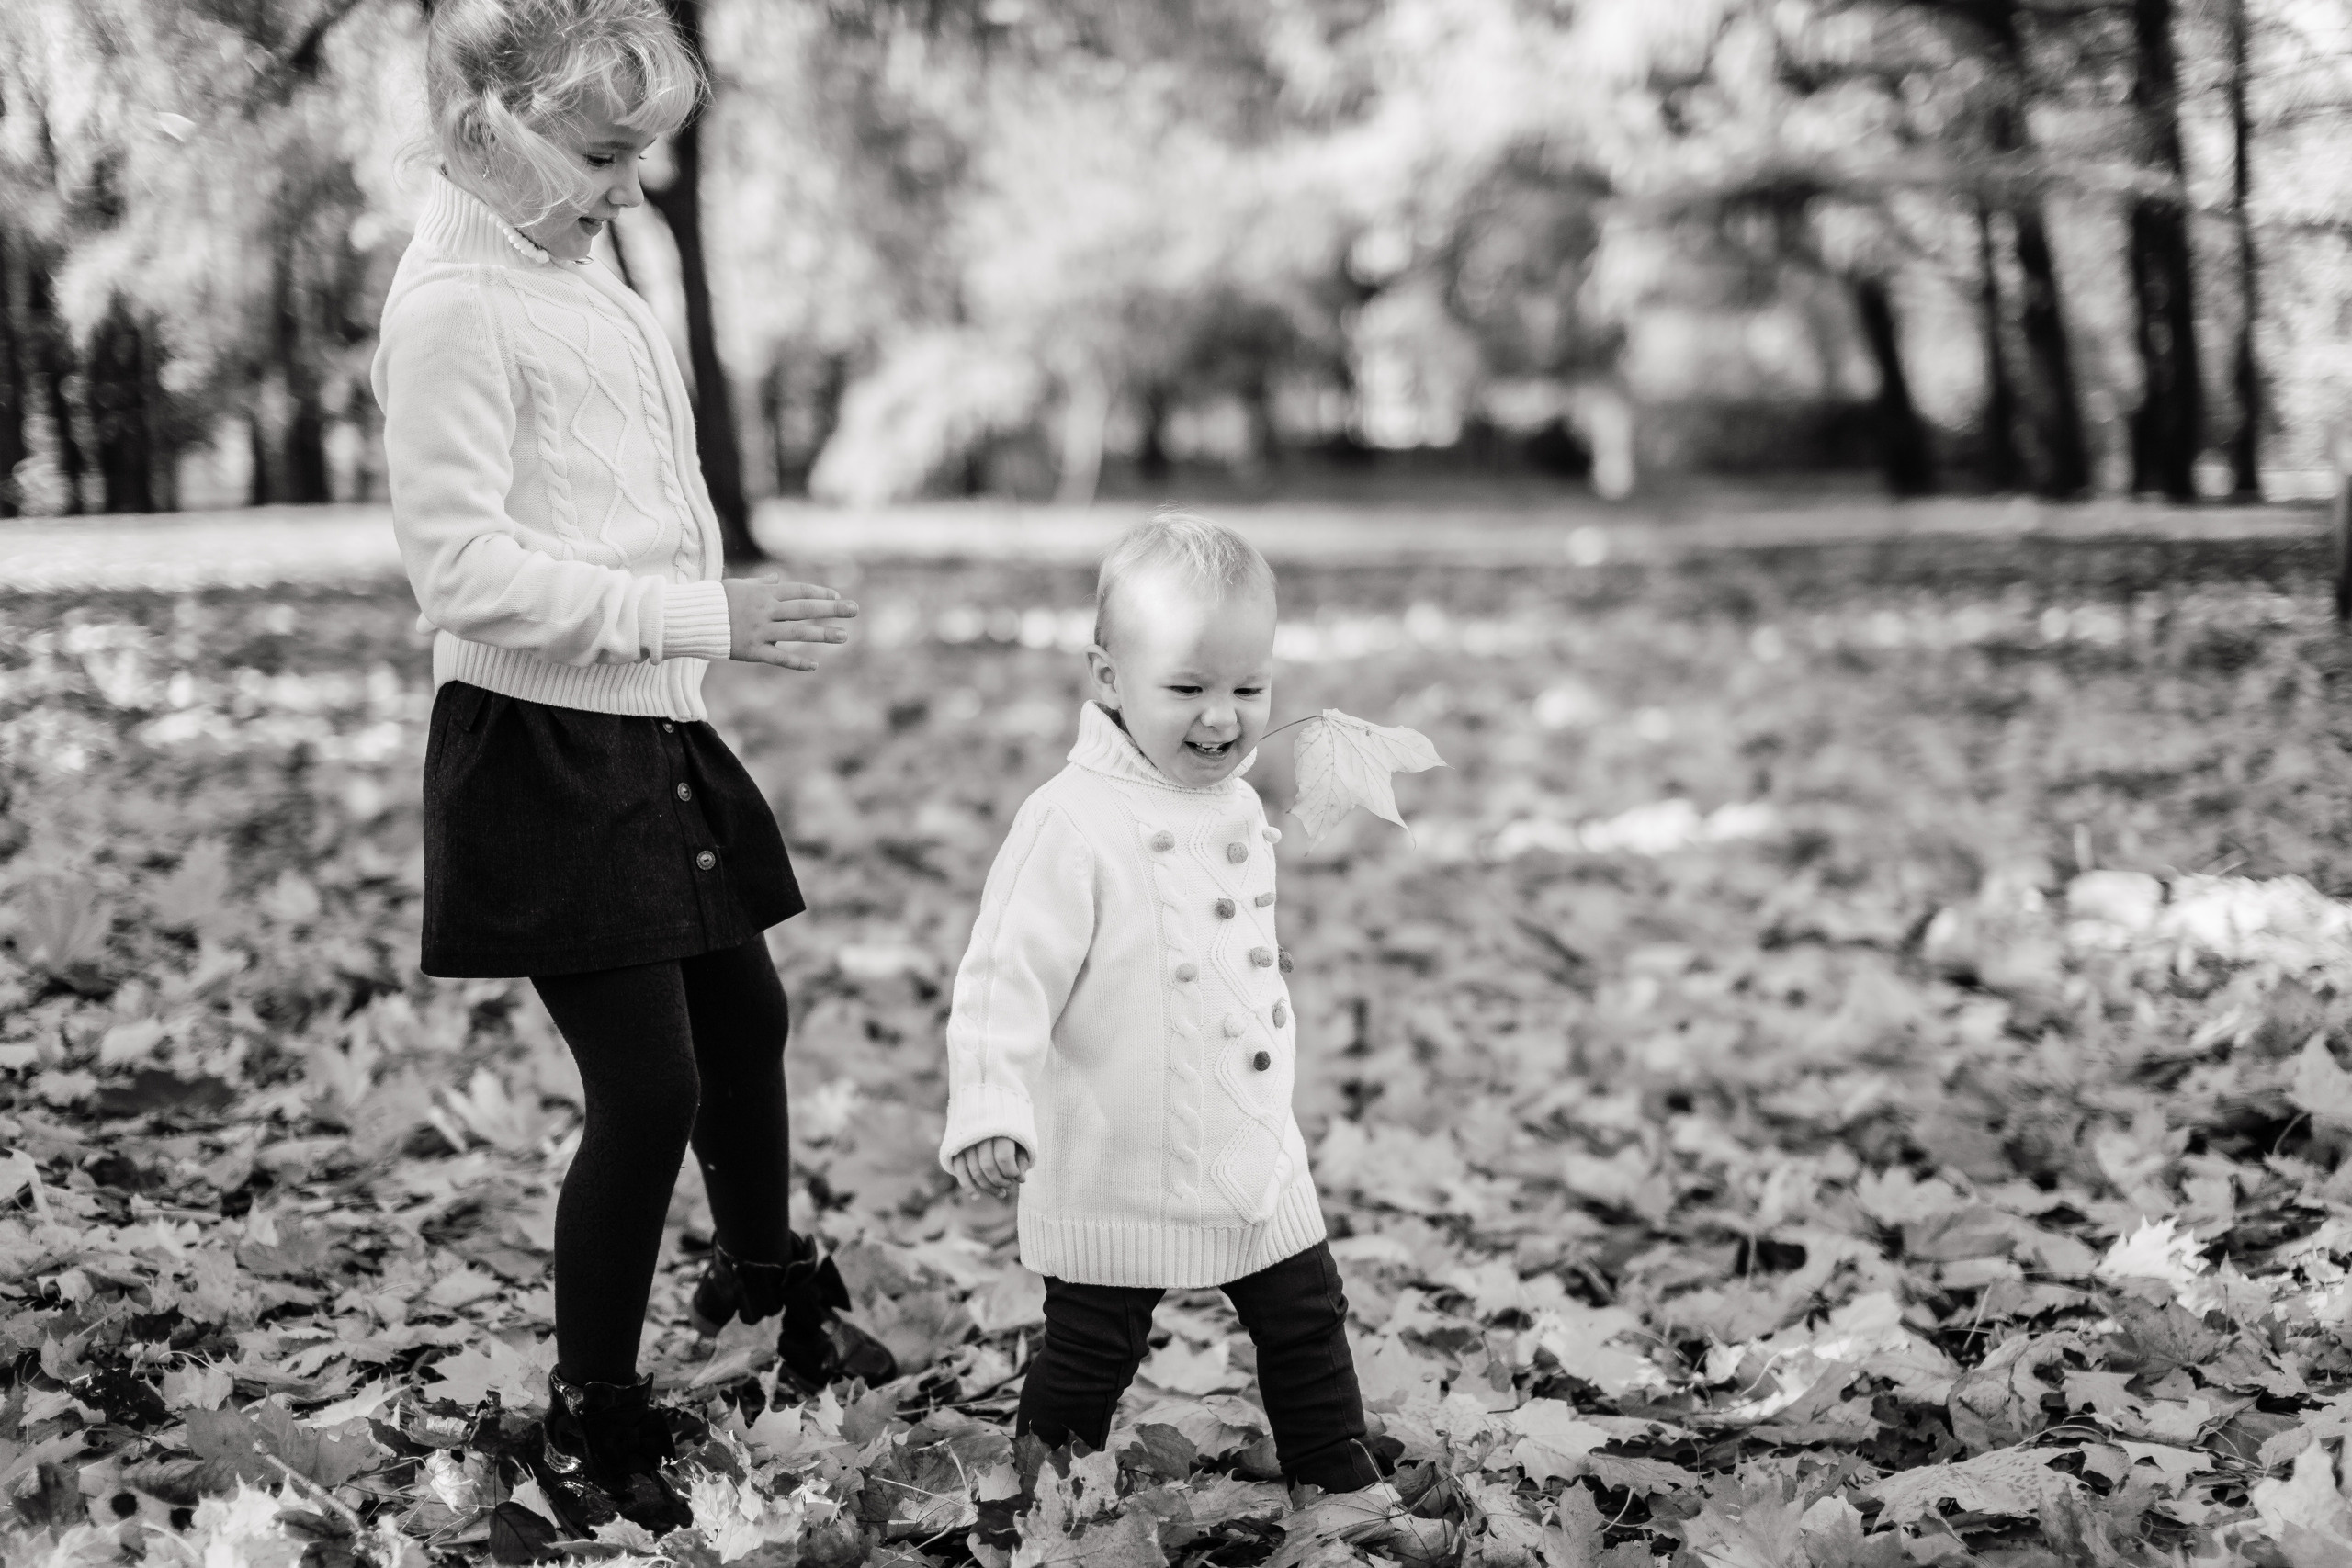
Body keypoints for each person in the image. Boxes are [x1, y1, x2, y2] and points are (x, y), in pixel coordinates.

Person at [369, 0, 894, 1532]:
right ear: (490, 130)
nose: (626, 186)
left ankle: (763, 1286)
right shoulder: (451, 306)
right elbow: (459, 571)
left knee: (746, 1015)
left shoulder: (569, 267)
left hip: (646, 722)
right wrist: (699, 615)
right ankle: (591, 1413)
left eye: (638, 155)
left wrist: (691, 638)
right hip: (537, 748)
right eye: (602, 154)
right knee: (649, 1083)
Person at [940, 511, 1383, 1496]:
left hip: (1248, 1138)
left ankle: (1339, 1484)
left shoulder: (1235, 800)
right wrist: (990, 1101)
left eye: (1249, 689)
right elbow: (1004, 974)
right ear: (1108, 678)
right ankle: (1035, 1506)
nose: (1222, 719)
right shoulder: (1071, 820)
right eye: (1186, 689)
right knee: (1095, 1345)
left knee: (1306, 1313)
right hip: (1120, 1153)